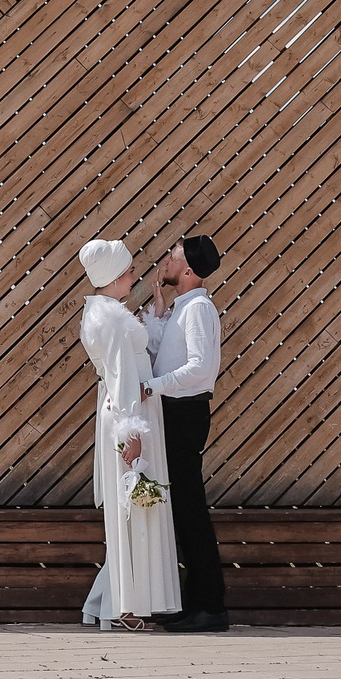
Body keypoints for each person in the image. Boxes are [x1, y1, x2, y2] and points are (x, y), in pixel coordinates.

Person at [75, 238, 180, 628]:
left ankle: (107, 602)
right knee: (133, 508)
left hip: (127, 412)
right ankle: (126, 609)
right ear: (115, 275)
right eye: (130, 269)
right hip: (129, 415)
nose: (135, 274)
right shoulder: (112, 318)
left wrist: (152, 317)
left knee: (133, 506)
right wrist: (131, 434)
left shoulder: (101, 312)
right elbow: (121, 378)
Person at [141, 234, 228, 632]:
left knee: (191, 510)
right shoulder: (182, 308)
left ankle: (210, 607)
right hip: (176, 413)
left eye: (172, 256)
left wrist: (152, 388)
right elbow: (165, 358)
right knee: (183, 509)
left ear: (189, 269)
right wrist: (158, 314)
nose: (166, 261)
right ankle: (199, 604)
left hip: (185, 414)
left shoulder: (198, 310)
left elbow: (199, 369)